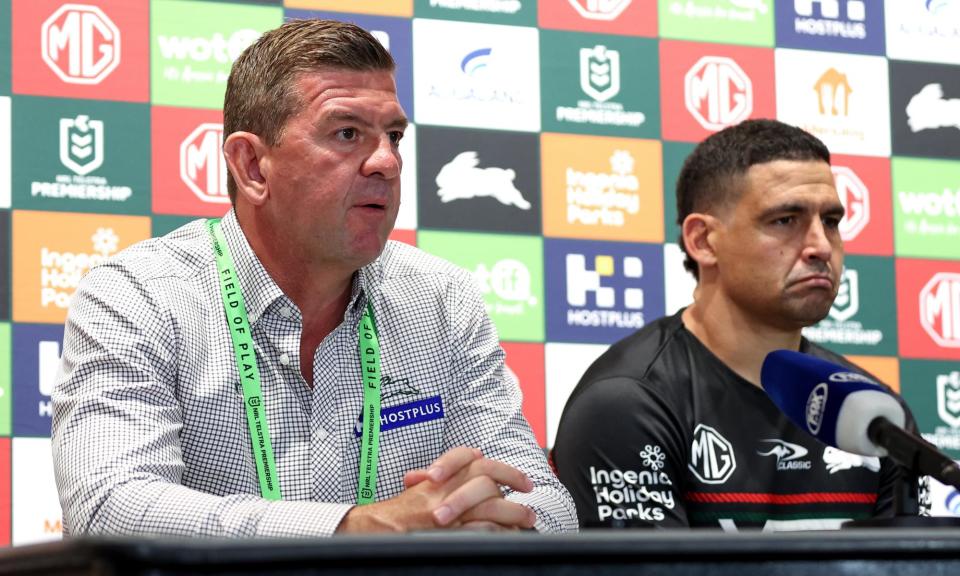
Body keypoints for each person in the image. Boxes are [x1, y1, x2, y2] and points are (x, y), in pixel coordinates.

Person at [52, 19, 577, 537]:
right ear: (252, 166)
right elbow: (109, 507)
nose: (386, 163)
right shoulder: (138, 294)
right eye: (347, 133)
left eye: (394, 136)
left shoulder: (442, 299)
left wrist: (489, 528)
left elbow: (547, 504)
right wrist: (353, 530)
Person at [552, 119, 918, 531]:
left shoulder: (874, 414)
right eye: (785, 220)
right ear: (704, 241)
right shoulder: (626, 404)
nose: (820, 246)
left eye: (831, 221)